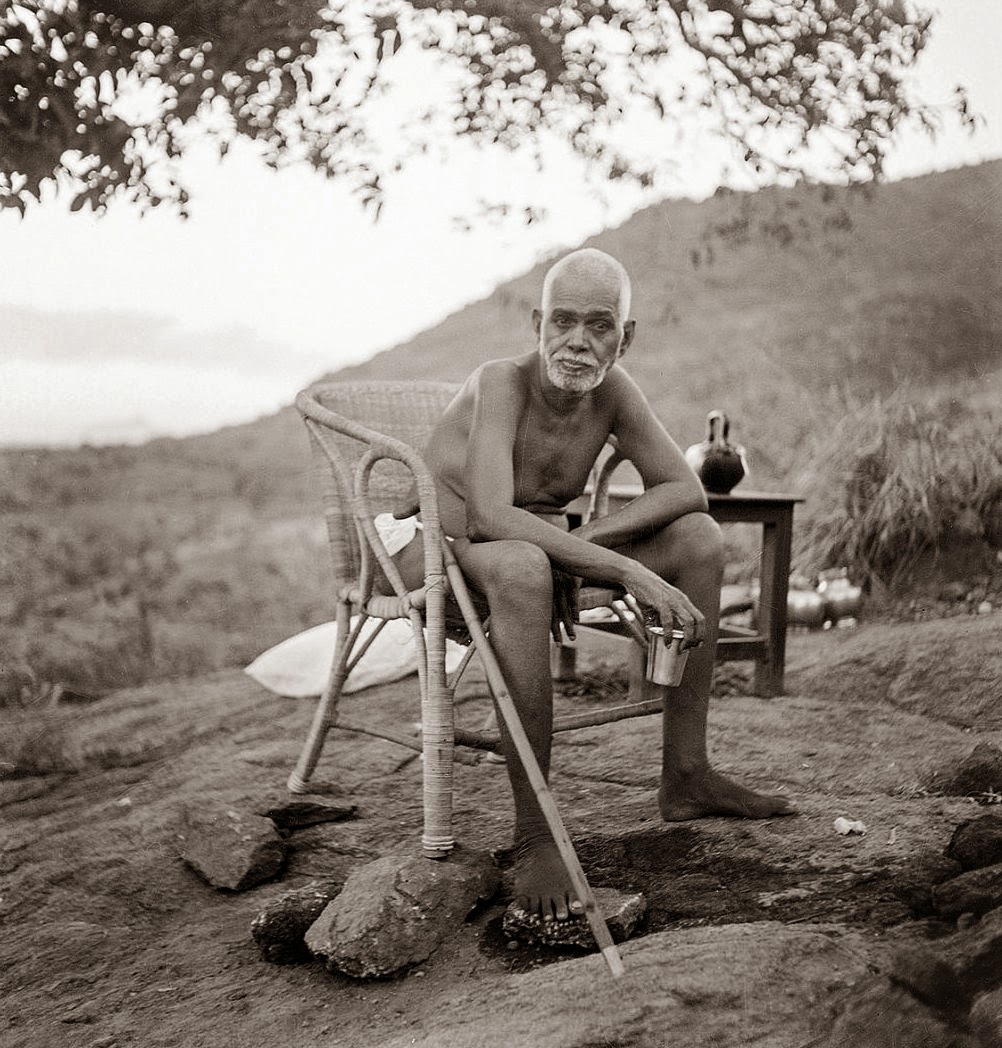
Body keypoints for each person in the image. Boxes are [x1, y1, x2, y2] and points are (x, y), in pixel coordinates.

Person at [391, 247, 794, 922]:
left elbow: (684, 489)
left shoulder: (613, 392)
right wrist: (622, 568)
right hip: (435, 548)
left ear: (624, 337)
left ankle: (687, 774)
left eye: (599, 325)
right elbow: (488, 516)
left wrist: (585, 549)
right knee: (524, 564)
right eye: (563, 321)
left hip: (530, 550)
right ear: (538, 324)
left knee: (699, 538)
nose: (578, 341)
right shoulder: (501, 381)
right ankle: (534, 834)